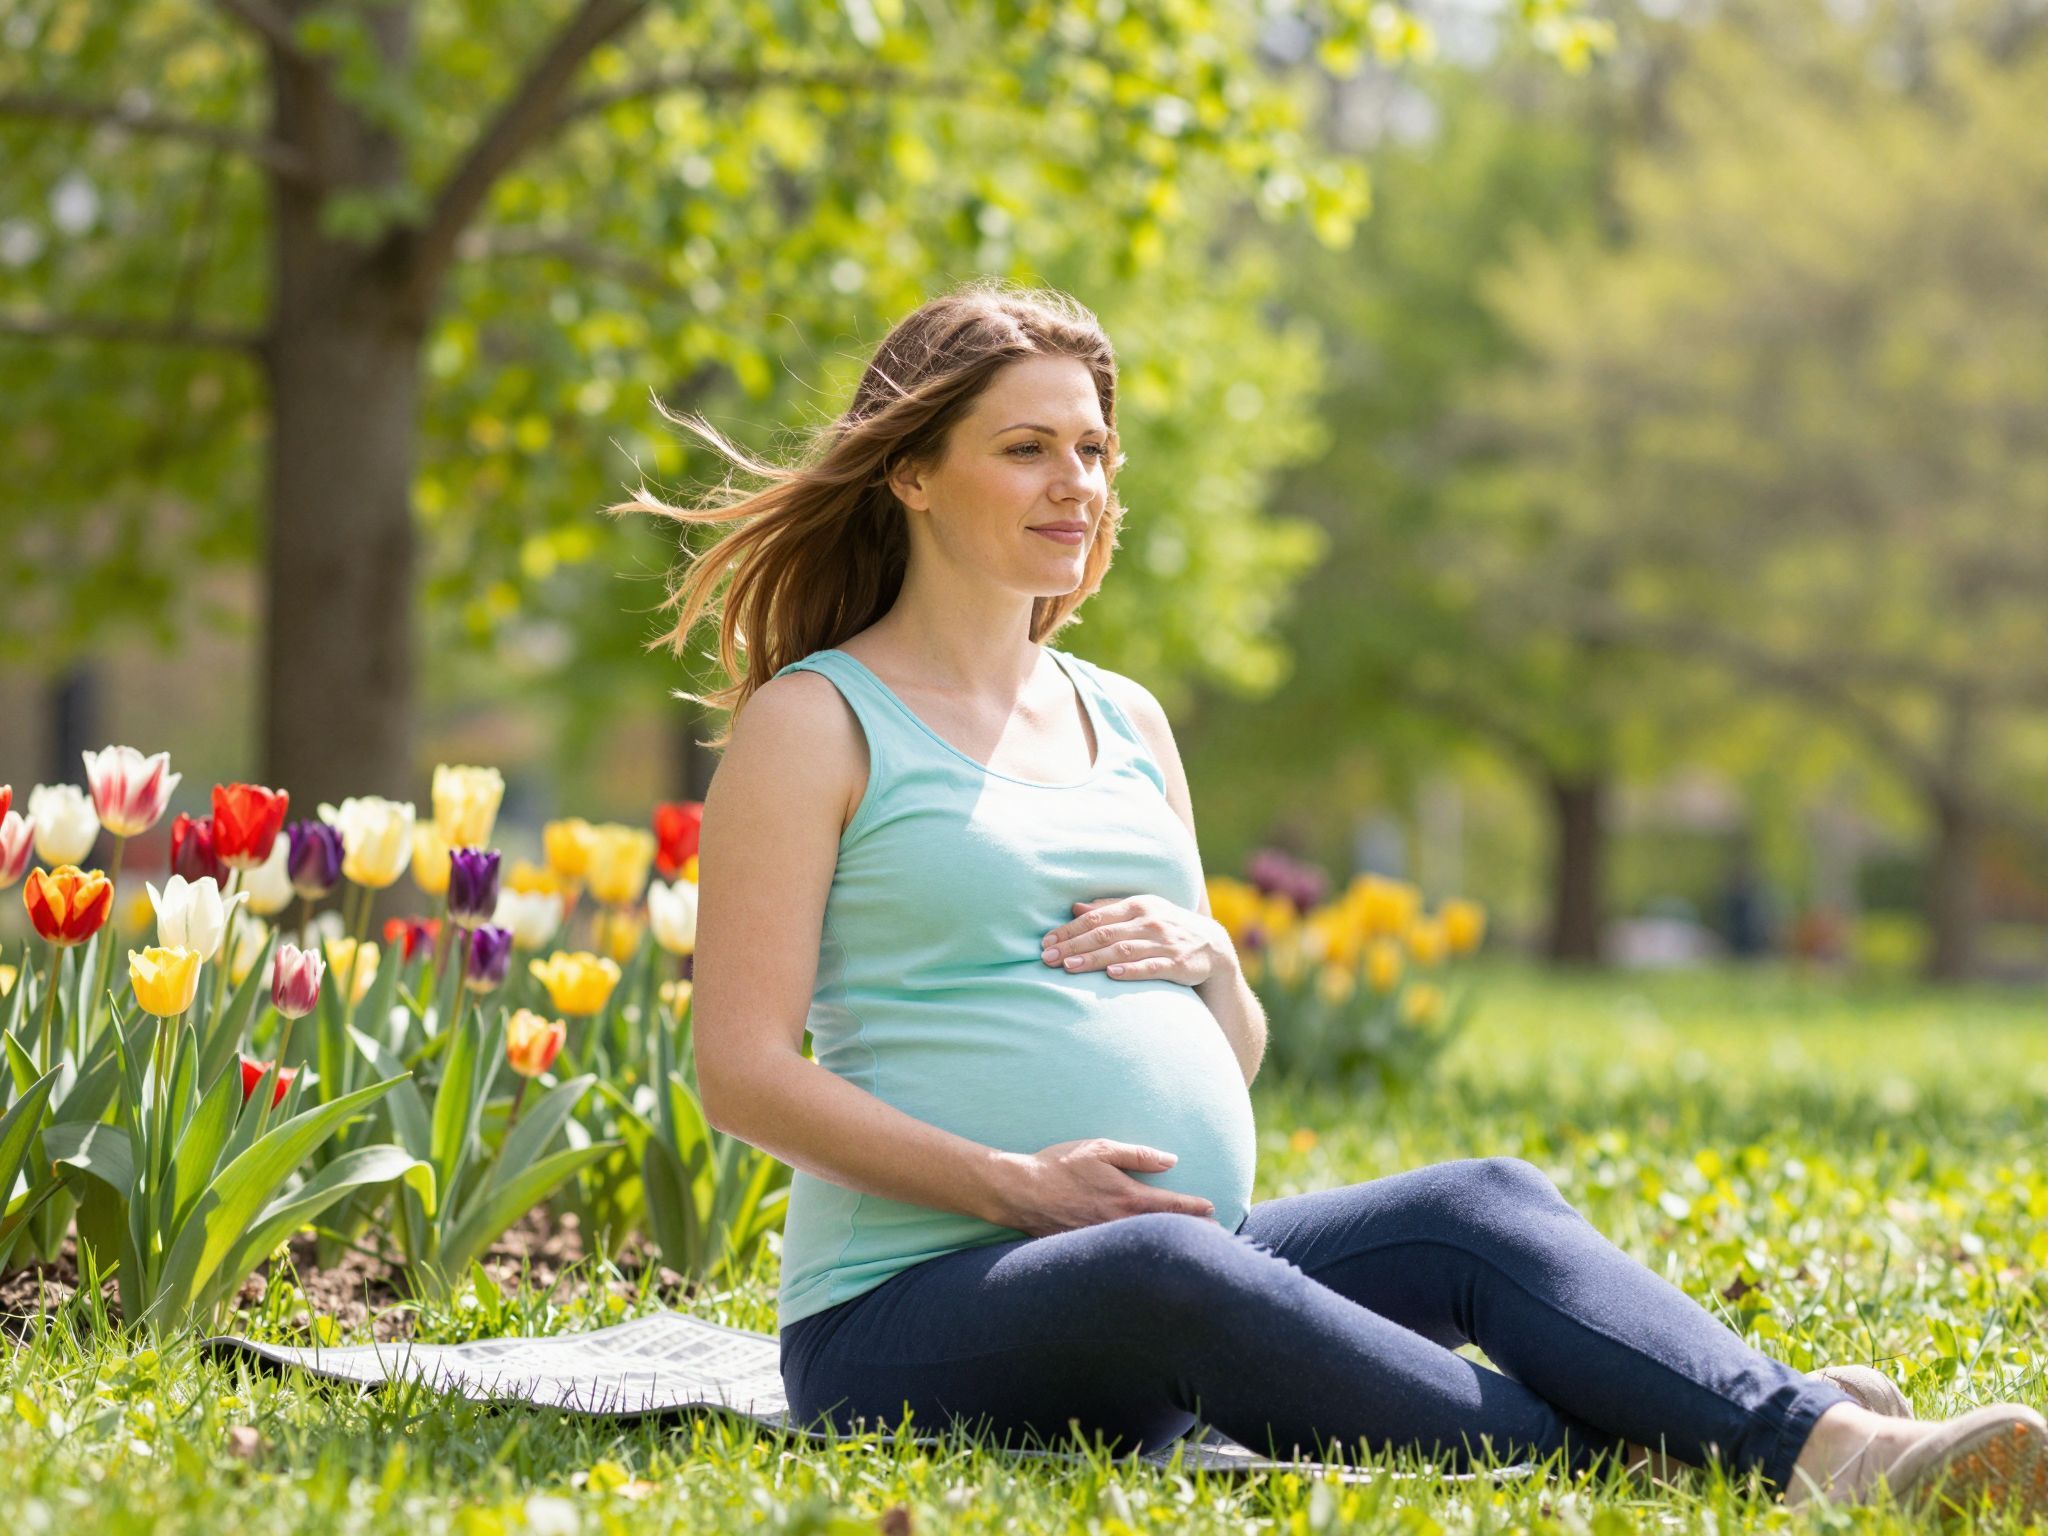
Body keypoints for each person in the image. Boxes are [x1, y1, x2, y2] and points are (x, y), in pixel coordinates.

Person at [609, 280, 2046, 1517]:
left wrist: (1218, 969)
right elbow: (739, 1072)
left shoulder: (1125, 720)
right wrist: (1016, 1190)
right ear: (911, 474)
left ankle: (1796, 1435)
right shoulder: (821, 720)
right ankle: (1755, 1443)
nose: (1077, 484)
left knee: (1479, 1203)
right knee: (1171, 1264)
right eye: (1027, 448)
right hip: (912, 1314)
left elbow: (1224, 1058)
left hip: (1175, 1265)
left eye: (1095, 450)